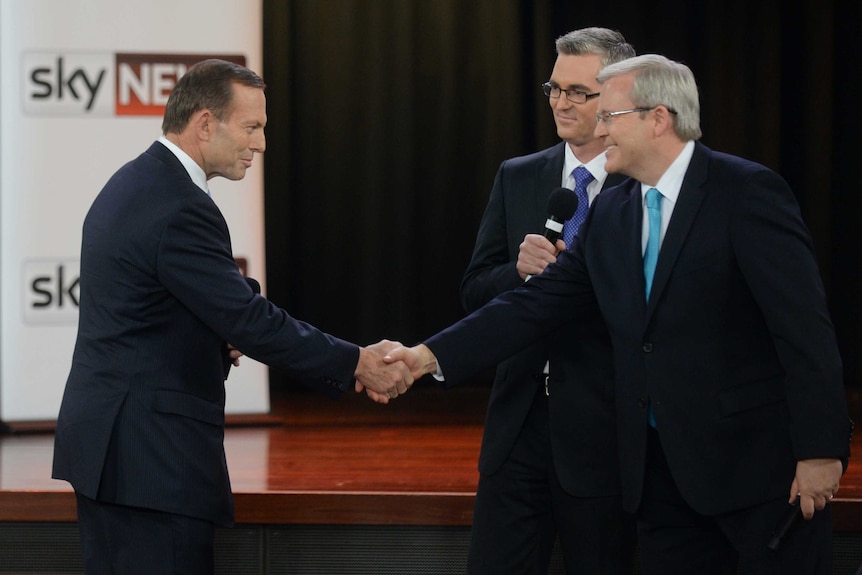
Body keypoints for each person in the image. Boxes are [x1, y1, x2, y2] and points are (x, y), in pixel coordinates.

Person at [379, 54, 852, 574]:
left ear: (658, 118)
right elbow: (535, 304)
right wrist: (427, 357)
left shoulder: (745, 192)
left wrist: (821, 450)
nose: (597, 130)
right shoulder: (613, 209)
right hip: (657, 481)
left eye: (609, 116)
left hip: (756, 477)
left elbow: (804, 330)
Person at [52, 59, 411, 575]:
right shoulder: (179, 204)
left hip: (117, 452)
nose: (262, 143)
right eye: (252, 127)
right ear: (204, 124)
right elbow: (249, 320)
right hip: (150, 463)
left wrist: (224, 320)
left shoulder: (136, 182)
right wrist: (357, 362)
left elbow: (181, 291)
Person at [459, 27, 635, 574]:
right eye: (554, 88)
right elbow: (474, 291)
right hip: (517, 429)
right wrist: (517, 271)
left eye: (578, 92)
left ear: (615, 95)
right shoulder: (519, 176)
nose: (561, 102)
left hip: (604, 432)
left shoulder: (642, 186)